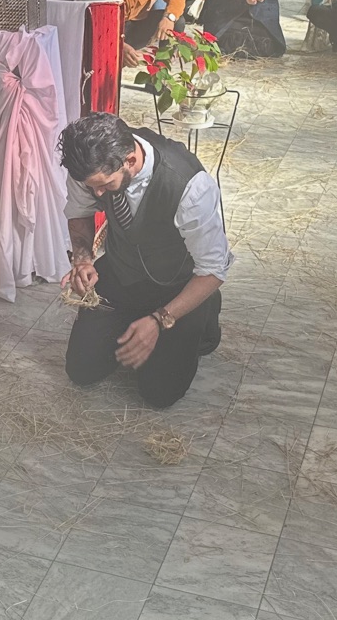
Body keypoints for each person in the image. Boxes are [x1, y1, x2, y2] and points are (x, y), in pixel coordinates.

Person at [60, 113, 230, 408]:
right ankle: (130, 321)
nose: (97, 193)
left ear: (129, 160)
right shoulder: (90, 166)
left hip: (176, 286)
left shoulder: (190, 186)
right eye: (92, 186)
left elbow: (214, 270)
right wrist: (83, 260)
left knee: (159, 395)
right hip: (121, 274)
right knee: (81, 372)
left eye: (104, 185)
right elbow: (80, 212)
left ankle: (204, 310)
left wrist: (159, 319)